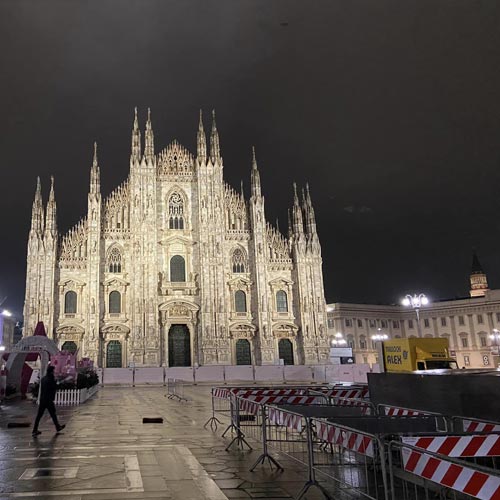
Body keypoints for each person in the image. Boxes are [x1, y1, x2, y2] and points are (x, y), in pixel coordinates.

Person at [32, 365, 65, 437]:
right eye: (53, 371)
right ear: (51, 372)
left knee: (39, 415)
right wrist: (58, 383)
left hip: (43, 399)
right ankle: (57, 427)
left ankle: (34, 430)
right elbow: (54, 387)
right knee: (53, 414)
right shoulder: (51, 379)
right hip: (49, 400)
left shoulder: (43, 379)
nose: (54, 372)